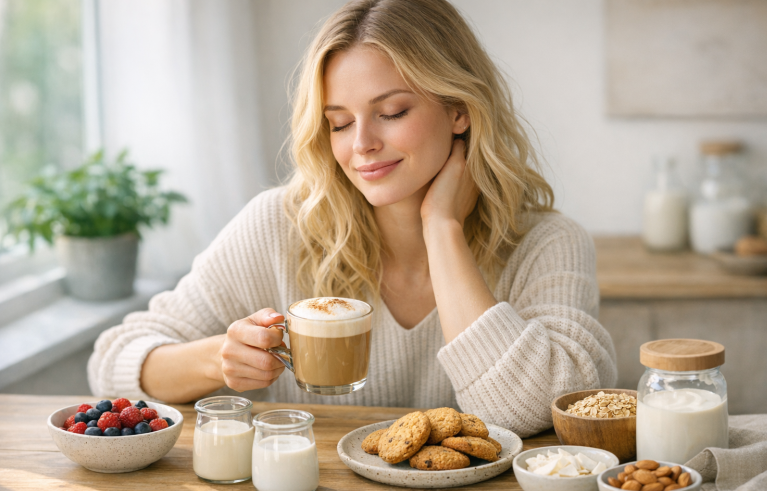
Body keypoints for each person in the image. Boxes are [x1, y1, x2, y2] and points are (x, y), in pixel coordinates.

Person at [88, 0, 617, 437]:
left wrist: (442, 229)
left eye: (392, 113)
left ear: (460, 110)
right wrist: (218, 360)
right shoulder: (282, 225)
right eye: (339, 123)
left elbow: (535, 412)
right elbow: (112, 364)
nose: (361, 144)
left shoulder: (547, 243)